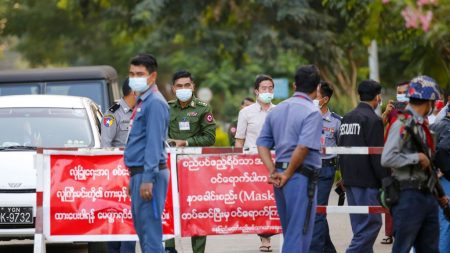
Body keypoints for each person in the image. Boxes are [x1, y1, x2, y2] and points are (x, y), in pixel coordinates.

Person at [257, 65, 322, 252]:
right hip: (300, 177)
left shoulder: (277, 110)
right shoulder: (312, 112)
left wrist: (273, 171)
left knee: (290, 230)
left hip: (280, 176)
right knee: (299, 232)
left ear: (294, 86)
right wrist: (287, 173)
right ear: (317, 88)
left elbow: (262, 144)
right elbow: (303, 147)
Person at [381, 75, 448, 253]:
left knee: (430, 249)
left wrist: (439, 195)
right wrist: (416, 158)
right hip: (408, 195)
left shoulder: (421, 125)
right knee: (402, 248)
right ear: (428, 102)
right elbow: (387, 158)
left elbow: (427, 165)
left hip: (427, 195)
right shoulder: (402, 124)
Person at [165, 70, 216, 253]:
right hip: (170, 166)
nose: (183, 89)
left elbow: (210, 138)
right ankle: (169, 247)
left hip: (195, 169)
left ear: (193, 86)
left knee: (197, 209)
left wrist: (186, 142)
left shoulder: (203, 108)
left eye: (187, 85)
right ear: (173, 88)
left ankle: (198, 250)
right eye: (179, 86)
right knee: (169, 206)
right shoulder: (167, 108)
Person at [124, 53, 170, 253]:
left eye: (140, 74)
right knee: (144, 232)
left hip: (149, 173)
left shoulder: (155, 103)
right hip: (140, 172)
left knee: (150, 237)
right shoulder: (143, 101)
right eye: (132, 73)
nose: (135, 78)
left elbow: (153, 144)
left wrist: (147, 179)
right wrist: (134, 176)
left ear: (152, 77)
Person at [338, 80, 389, 253]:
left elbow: (341, 149)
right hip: (367, 182)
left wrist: (343, 178)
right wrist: (385, 180)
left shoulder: (347, 117)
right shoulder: (373, 120)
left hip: (350, 180)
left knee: (360, 226)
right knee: (371, 224)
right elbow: (377, 155)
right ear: (378, 97)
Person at [234, 75, 276, 252]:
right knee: (258, 202)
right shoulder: (246, 112)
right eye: (264, 88)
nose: (267, 91)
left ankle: (272, 232)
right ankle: (264, 237)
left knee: (273, 201)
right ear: (256, 91)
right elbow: (239, 140)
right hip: (252, 164)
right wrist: (236, 165)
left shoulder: (279, 111)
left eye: (270, 88)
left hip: (274, 162)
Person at [101, 78, 137, 253]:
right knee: (115, 222)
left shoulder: (141, 112)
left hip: (136, 175)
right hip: (116, 178)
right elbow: (105, 146)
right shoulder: (112, 114)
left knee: (130, 222)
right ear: (134, 92)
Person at [309, 81, 341, 253]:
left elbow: (344, 150)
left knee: (318, 212)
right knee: (312, 211)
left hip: (325, 169)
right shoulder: (306, 117)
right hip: (307, 169)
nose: (312, 96)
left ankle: (315, 249)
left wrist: (343, 176)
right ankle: (329, 250)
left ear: (325, 99)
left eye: (316, 94)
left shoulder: (336, 122)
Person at [380, 80, 410, 245]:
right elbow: (379, 127)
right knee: (390, 194)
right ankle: (389, 232)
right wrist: (385, 113)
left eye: (403, 92)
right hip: (390, 157)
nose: (400, 95)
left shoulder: (415, 109)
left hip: (407, 158)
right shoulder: (392, 111)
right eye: (398, 92)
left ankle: (404, 231)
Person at [430, 103, 450, 252]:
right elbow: (443, 149)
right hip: (446, 181)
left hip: (433, 180)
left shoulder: (436, 124)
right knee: (446, 223)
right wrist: (444, 170)